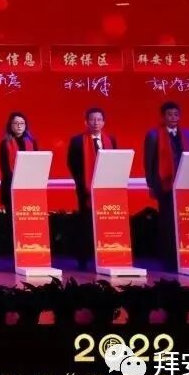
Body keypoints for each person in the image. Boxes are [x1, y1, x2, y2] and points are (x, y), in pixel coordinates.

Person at [144, 101, 189, 272]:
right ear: (163, 116)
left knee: (185, 221)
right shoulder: (153, 135)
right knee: (167, 222)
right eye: (169, 114)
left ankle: (186, 256)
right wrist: (151, 184)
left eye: (176, 114)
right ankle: (168, 259)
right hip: (164, 185)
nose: (173, 117)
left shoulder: (188, 135)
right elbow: (149, 162)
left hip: (184, 184)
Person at [66, 107, 117, 270]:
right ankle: (83, 259)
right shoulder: (77, 141)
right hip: (85, 189)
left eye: (99, 119)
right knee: (86, 224)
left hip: (106, 189)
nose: (96, 122)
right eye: (92, 119)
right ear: (86, 122)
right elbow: (71, 163)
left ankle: (106, 255)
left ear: (104, 122)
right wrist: (82, 183)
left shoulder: (110, 140)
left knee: (106, 223)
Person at [0, 112, 38, 211]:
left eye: (22, 123)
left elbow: (36, 162)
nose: (19, 126)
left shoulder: (32, 142)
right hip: (10, 183)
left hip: (29, 184)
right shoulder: (5, 143)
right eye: (16, 123)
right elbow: (4, 166)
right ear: (10, 126)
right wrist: (16, 180)